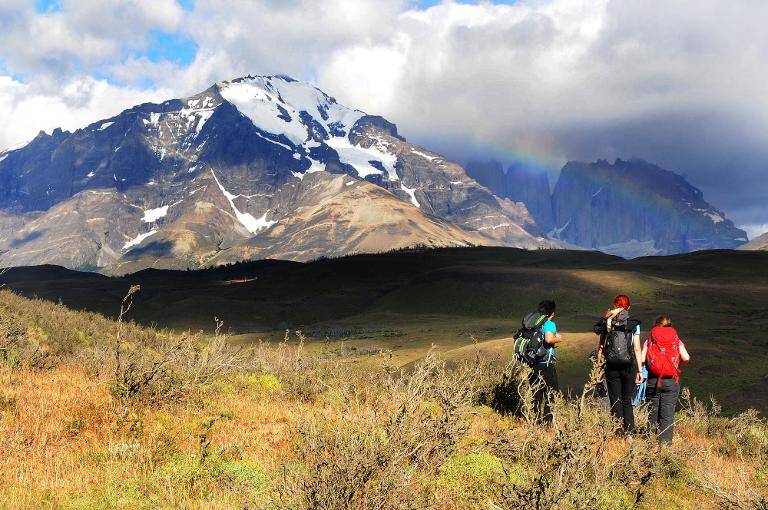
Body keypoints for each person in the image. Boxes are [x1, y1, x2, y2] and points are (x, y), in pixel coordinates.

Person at [596, 295, 643, 433]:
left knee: (615, 399)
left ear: (615, 305)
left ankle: (618, 432)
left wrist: (599, 366)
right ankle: (630, 431)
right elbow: (637, 348)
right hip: (628, 365)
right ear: (628, 307)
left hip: (611, 365)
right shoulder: (633, 323)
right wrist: (640, 371)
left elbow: (601, 347)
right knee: (626, 399)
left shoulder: (607, 321)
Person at [642, 315, 690, 443]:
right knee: (667, 414)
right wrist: (674, 365)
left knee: (653, 411)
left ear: (656, 325)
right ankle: (664, 445)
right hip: (670, 381)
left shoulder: (650, 339)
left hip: (653, 380)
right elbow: (686, 357)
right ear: (670, 326)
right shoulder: (676, 339)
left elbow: (641, 359)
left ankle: (650, 442)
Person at [531, 300, 562, 423]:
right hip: (546, 363)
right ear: (552, 313)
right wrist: (558, 338)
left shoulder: (534, 324)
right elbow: (549, 339)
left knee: (536, 394)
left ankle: (535, 422)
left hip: (533, 362)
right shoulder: (549, 324)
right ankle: (548, 424)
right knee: (551, 394)